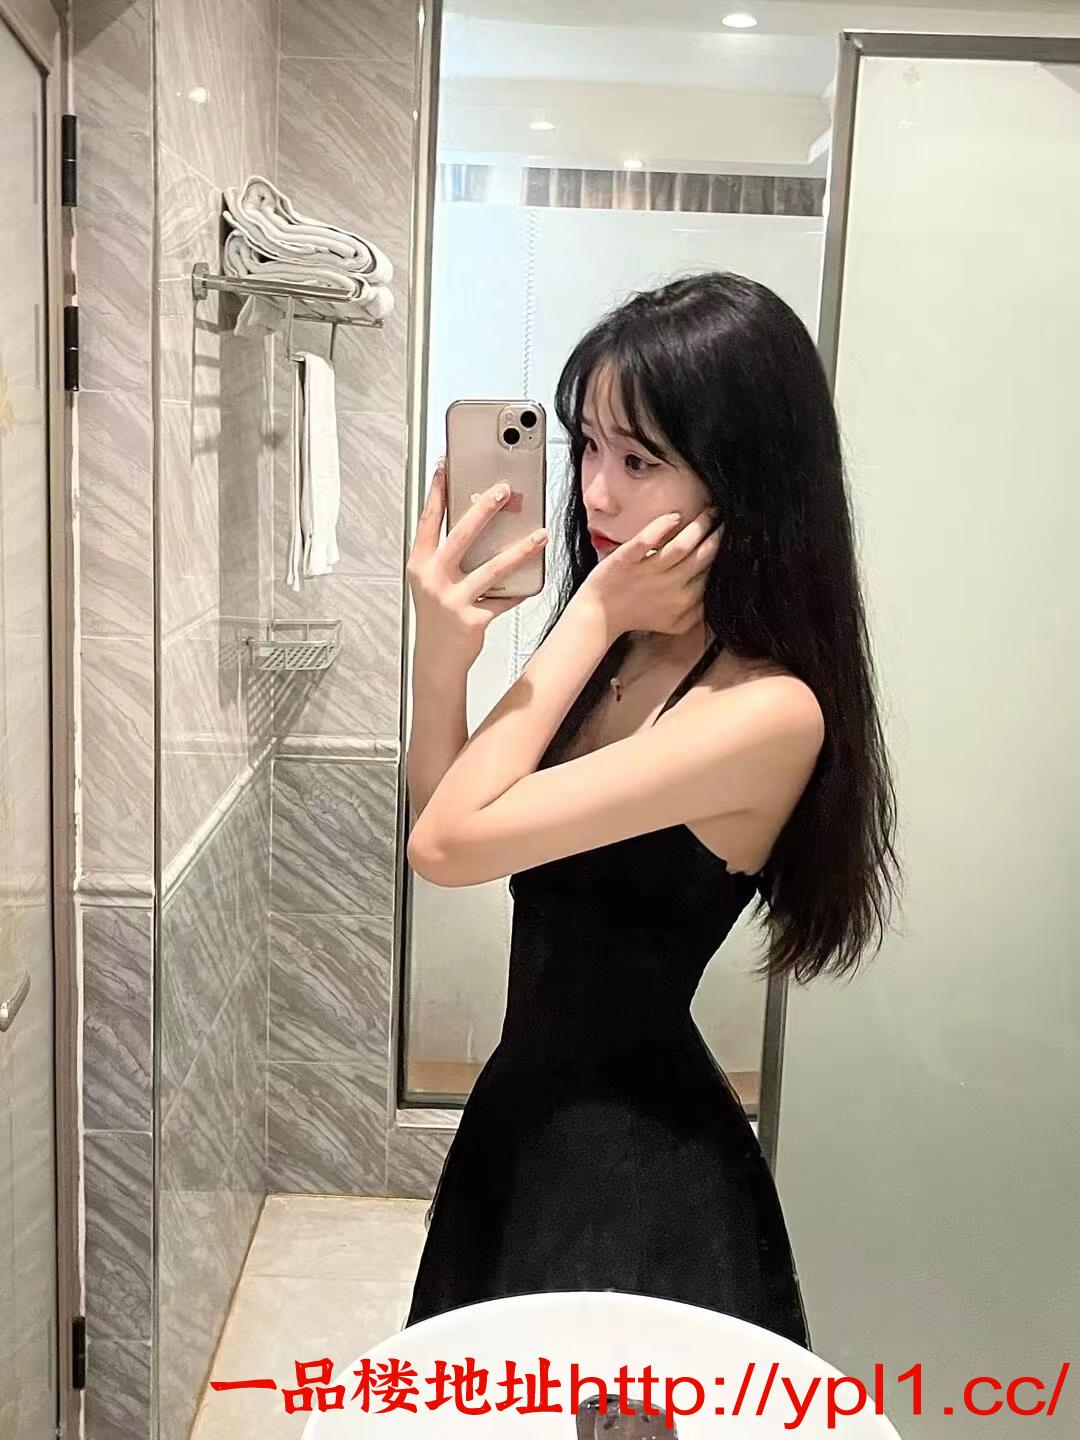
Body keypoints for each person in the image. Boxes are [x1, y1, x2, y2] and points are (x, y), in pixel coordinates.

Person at [402, 271, 901, 1347]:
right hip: (525, 1120)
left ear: (743, 476)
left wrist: (587, 613)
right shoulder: (630, 645)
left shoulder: (764, 710)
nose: (595, 492)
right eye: (587, 446)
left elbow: (446, 846)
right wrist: (444, 654)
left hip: (636, 1177)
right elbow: (445, 813)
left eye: (639, 460)